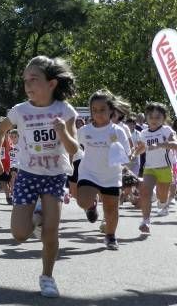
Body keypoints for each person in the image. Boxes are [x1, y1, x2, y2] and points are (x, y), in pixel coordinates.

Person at [0, 56, 79, 298]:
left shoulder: (64, 110)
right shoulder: (20, 111)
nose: (28, 85)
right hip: (28, 174)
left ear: (51, 84)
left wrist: (62, 132)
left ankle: (47, 277)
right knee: (19, 234)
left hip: (55, 175)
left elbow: (74, 150)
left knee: (52, 232)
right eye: (25, 80)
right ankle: (36, 218)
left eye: (34, 79)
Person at [75, 90, 131, 250]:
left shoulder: (118, 131)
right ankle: (91, 206)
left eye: (102, 110)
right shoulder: (85, 131)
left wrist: (133, 156)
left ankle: (111, 236)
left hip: (111, 175)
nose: (98, 113)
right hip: (89, 173)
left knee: (111, 209)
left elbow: (126, 154)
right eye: (94, 110)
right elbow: (73, 145)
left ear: (111, 111)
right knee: (82, 201)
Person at [134, 102, 177, 234]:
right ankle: (145, 221)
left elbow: (175, 144)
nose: (153, 120)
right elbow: (141, 148)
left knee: (161, 196)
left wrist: (161, 145)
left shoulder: (167, 130)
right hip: (150, 168)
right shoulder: (144, 133)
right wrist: (133, 153)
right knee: (145, 192)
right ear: (146, 118)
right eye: (151, 117)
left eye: (157, 117)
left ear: (163, 118)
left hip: (164, 168)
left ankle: (163, 202)